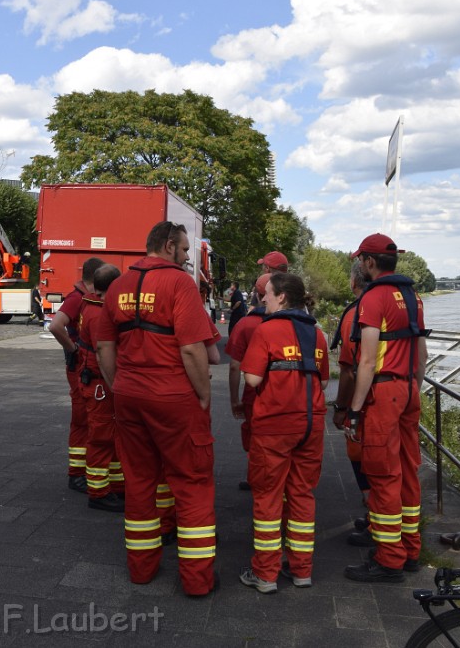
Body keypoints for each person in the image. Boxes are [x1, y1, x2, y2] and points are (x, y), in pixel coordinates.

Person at [97, 221, 222, 598]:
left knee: (138, 483)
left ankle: (142, 570)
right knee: (193, 484)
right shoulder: (179, 284)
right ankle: (198, 581)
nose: (187, 258)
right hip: (174, 398)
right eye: (185, 250)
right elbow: (191, 348)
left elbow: (105, 347)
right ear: (168, 246)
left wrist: (119, 386)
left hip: (130, 396)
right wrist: (203, 394)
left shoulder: (116, 286)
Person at [343, 233, 429, 583]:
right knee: (408, 469)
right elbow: (422, 353)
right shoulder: (414, 297)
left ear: (368, 262)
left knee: (382, 474)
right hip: (410, 388)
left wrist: (354, 409)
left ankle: (389, 558)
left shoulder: (373, 298)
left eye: (360, 260)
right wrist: (414, 388)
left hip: (384, 394)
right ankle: (410, 549)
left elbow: (365, 361)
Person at [238, 272, 329, 593]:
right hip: (312, 424)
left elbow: (250, 380)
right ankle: (301, 570)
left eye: (268, 293)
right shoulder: (317, 335)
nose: (263, 298)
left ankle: (265, 574)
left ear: (282, 298)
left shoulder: (266, 330)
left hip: (274, 425)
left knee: (267, 497)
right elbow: (324, 380)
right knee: (303, 496)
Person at [49, 257, 104, 492]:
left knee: (86, 420)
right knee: (82, 420)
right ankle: (77, 474)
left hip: (81, 367)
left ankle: (81, 471)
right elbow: (55, 325)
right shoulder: (77, 298)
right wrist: (73, 350)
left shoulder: (83, 297)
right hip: (79, 367)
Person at [331, 261, 374, 545]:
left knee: (362, 460)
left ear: (354, 282)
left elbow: (348, 371)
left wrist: (342, 409)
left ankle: (375, 525)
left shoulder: (354, 315)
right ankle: (379, 521)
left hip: (367, 401)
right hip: (400, 394)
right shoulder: (403, 305)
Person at [76, 264, 125, 512]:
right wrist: (115, 384)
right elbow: (103, 350)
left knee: (111, 436)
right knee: (101, 438)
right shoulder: (98, 314)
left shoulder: (92, 305)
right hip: (100, 384)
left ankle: (114, 486)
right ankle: (98, 491)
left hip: (97, 382)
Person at [225, 273, 271, 491]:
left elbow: (235, 366)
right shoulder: (298, 325)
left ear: (257, 294)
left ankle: (256, 476)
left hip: (255, 392)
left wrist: (234, 399)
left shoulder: (245, 325)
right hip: (288, 394)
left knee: (255, 436)